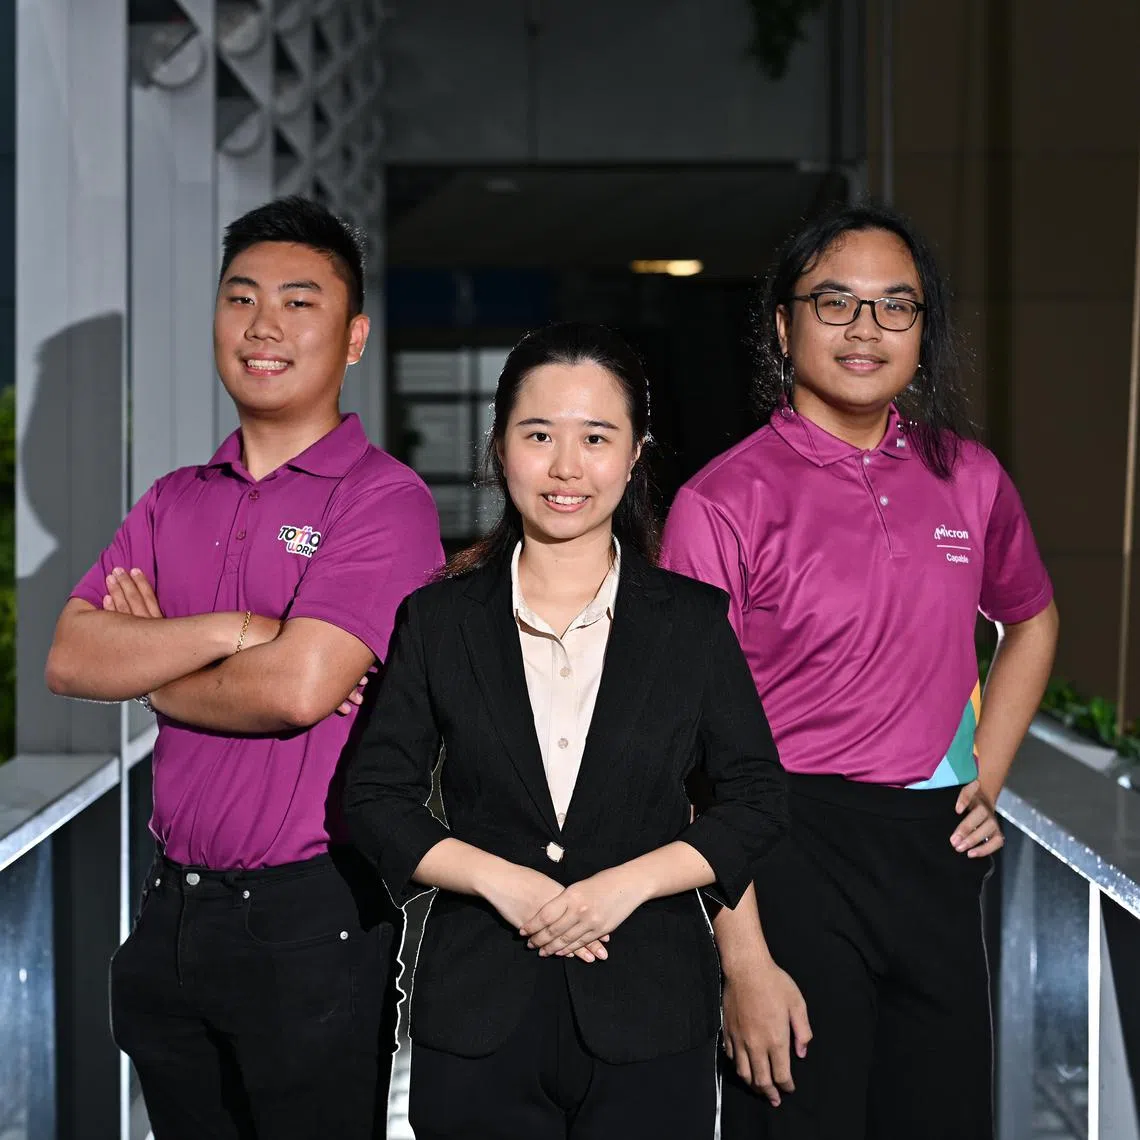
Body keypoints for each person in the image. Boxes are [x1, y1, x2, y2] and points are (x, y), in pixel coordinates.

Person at [45, 196, 443, 1139]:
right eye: (241, 298)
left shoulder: (383, 502)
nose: (263, 325)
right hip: (169, 911)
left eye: (299, 302)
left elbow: (295, 692)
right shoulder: (173, 499)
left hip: (311, 921)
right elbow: (69, 657)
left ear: (352, 339)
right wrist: (238, 628)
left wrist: (145, 662)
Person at [661, 202, 1059, 1140]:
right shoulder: (721, 501)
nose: (866, 329)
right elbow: (684, 752)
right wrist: (744, 959)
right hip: (784, 846)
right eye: (835, 302)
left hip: (933, 850)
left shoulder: (969, 475)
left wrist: (984, 781)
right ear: (783, 324)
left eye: (896, 306)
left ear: (925, 328)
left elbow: (1031, 620)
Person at [342, 321, 787, 1140]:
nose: (566, 467)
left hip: (650, 1010)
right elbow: (372, 799)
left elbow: (756, 798)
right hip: (478, 1011)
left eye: (596, 438)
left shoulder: (690, 623)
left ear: (635, 454)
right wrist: (504, 882)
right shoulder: (439, 619)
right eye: (539, 435)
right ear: (500, 445)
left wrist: (624, 886)